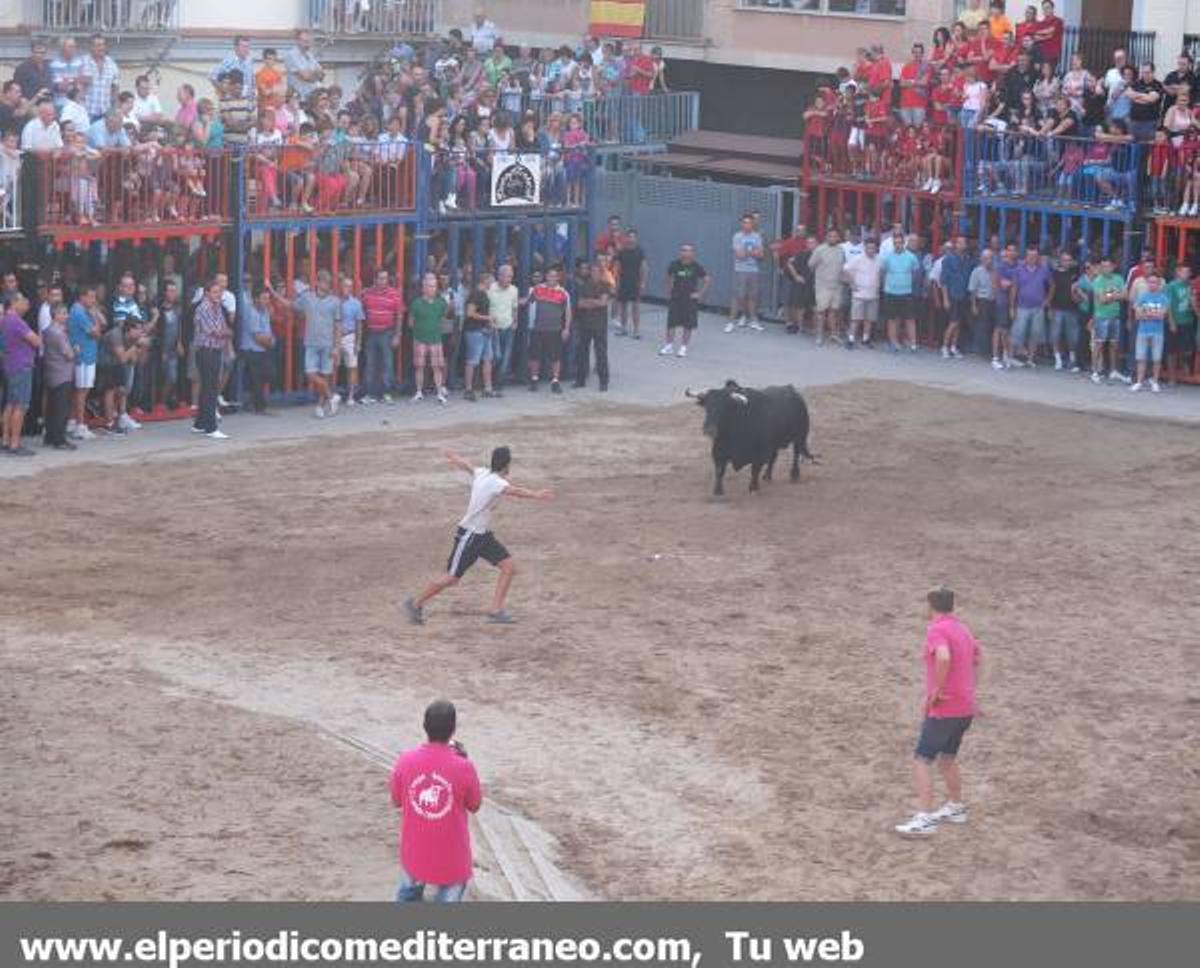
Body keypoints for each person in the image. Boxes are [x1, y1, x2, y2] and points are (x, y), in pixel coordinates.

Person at [404, 447, 553, 626]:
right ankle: (415, 603)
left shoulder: (482, 473)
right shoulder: (497, 483)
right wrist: (536, 494)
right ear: (507, 465)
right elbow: (516, 492)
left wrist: (455, 457)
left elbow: (468, 466)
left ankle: (495, 611)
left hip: (482, 536)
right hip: (469, 536)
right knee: (452, 578)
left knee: (509, 567)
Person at [895, 587, 983, 837]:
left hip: (945, 707)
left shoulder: (936, 630)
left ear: (930, 606)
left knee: (922, 760)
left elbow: (943, 658)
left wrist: (936, 690)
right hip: (965, 708)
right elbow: (979, 658)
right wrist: (970, 690)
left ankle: (925, 818)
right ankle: (956, 808)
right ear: (953, 606)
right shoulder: (963, 629)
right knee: (947, 758)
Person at [389, 700, 482, 903]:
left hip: (415, 853)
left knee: (407, 894)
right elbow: (475, 805)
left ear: (424, 727)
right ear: (453, 729)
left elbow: (396, 800)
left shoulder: (405, 760)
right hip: (452, 860)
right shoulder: (464, 767)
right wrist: (464, 760)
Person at [270, 269, 341, 417]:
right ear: (317, 282)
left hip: (328, 344)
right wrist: (273, 292)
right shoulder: (307, 298)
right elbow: (290, 305)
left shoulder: (335, 301)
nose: (328, 285)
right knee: (310, 373)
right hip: (311, 342)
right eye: (325, 282)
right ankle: (331, 396)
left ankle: (321, 407)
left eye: (329, 282)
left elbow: (338, 325)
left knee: (325, 375)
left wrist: (336, 347)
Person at [1, 292, 40, 457]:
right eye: (24, 301)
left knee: (10, 403)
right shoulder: (16, 321)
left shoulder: (4, 320)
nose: (27, 305)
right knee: (21, 405)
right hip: (21, 365)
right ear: (14, 303)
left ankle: (5, 440)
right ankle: (15, 443)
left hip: (11, 364)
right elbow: (36, 341)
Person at [191, 280, 231, 439]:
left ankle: (200, 424)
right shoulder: (203, 308)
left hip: (214, 350)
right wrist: (224, 332)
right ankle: (211, 427)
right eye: (215, 292)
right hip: (206, 351)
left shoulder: (218, 307)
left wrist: (224, 332)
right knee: (210, 389)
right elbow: (214, 331)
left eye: (220, 292)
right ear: (207, 293)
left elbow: (224, 328)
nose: (218, 295)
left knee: (208, 387)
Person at [360, 268, 405, 404]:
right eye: (380, 278)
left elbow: (400, 315)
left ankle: (386, 393)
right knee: (370, 364)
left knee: (387, 364)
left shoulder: (394, 294)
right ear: (375, 279)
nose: (383, 281)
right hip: (371, 333)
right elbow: (360, 312)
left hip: (387, 332)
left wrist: (397, 335)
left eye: (385, 278)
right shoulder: (366, 294)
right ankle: (369, 394)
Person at [527, 266, 571, 393]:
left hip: (555, 329)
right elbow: (527, 302)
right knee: (534, 356)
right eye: (549, 275)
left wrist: (566, 329)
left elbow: (568, 313)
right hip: (538, 328)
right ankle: (534, 379)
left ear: (558, 278)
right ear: (546, 277)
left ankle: (555, 381)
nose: (551, 278)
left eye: (554, 276)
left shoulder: (563, 293)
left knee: (555, 357)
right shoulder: (538, 289)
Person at [660, 243, 710, 357]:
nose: (686, 253)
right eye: (684, 250)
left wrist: (700, 294)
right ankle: (669, 346)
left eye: (689, 251)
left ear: (692, 253)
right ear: (680, 252)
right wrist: (669, 292)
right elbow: (668, 278)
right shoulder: (674, 265)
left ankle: (683, 348)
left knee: (688, 325)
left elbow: (707, 280)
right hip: (676, 298)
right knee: (671, 323)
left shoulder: (696, 266)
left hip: (690, 300)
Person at [408, 271, 450, 404]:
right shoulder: (416, 303)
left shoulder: (441, 302)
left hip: (436, 339)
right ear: (423, 287)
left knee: (437, 367)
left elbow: (443, 318)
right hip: (420, 339)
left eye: (434, 286)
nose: (433, 289)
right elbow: (410, 322)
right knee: (419, 367)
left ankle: (439, 393)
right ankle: (419, 392)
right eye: (430, 286)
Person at [67, 287, 101, 440]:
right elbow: (96, 333)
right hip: (84, 357)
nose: (94, 301)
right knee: (82, 391)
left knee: (80, 391)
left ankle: (73, 421)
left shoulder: (78, 310)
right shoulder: (79, 312)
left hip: (85, 355)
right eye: (91, 296)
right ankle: (80, 425)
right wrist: (95, 317)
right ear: (82, 296)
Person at [41, 303, 75, 451]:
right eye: (64, 313)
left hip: (51, 372)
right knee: (61, 408)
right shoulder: (59, 333)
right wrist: (76, 350)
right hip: (63, 373)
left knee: (52, 407)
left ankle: (50, 436)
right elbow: (69, 354)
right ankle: (59, 439)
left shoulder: (47, 330)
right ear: (56, 315)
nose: (66, 316)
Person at [1010, 245, 1051, 367]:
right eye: (1029, 255)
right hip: (1022, 306)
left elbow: (1052, 285)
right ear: (1026, 257)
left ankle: (1030, 359)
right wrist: (1012, 307)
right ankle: (1010, 357)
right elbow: (1014, 288)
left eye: (1034, 256)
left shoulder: (1043, 270)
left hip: (1038, 307)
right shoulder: (1019, 269)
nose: (1032, 258)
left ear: (1038, 257)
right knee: (1017, 332)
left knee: (1035, 333)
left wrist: (1047, 300)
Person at [574, 260, 612, 390]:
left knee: (601, 354)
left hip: (600, 326)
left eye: (597, 271)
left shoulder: (605, 286)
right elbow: (580, 304)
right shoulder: (584, 286)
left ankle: (603, 382)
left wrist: (589, 301)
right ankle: (580, 380)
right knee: (582, 353)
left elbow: (603, 303)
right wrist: (595, 302)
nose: (594, 273)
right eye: (592, 271)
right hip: (585, 325)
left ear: (600, 273)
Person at [1088, 256, 1126, 385]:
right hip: (1101, 317)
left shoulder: (1119, 278)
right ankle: (1094, 371)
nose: (1105, 269)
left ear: (1113, 266)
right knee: (1099, 344)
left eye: (1108, 266)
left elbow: (1125, 295)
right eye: (1103, 266)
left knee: (1114, 345)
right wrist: (1115, 295)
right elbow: (1101, 300)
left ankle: (1113, 371)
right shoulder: (1098, 281)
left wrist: (1109, 296)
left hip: (1115, 316)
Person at [881, 232, 920, 353]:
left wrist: (905, 283)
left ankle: (913, 343)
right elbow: (883, 273)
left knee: (910, 319)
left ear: (904, 243)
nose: (897, 245)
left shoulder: (911, 257)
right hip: (891, 292)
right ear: (893, 244)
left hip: (906, 292)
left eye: (900, 243)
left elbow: (915, 274)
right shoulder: (887, 257)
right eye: (895, 243)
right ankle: (894, 342)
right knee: (892, 319)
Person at [239, 286, 276, 415]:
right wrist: (270, 341)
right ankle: (260, 407)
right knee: (258, 378)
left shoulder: (264, 311)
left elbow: (268, 333)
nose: (267, 301)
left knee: (269, 374)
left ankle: (252, 402)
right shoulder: (251, 312)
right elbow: (258, 337)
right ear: (255, 299)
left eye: (268, 298)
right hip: (251, 350)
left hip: (262, 349)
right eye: (264, 298)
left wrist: (269, 340)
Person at [1130, 271, 1169, 392]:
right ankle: (1139, 382)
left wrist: (1146, 313)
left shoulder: (1163, 298)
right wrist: (1153, 314)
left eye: (1155, 282)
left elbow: (1162, 316)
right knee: (1141, 358)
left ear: (1159, 284)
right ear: (1147, 283)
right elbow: (1137, 316)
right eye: (1150, 282)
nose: (1153, 285)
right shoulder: (1142, 297)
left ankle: (1155, 382)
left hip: (1157, 332)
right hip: (1143, 331)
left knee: (1156, 358)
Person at [461, 273, 497, 401]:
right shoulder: (476, 294)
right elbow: (470, 313)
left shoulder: (483, 294)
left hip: (484, 331)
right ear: (485, 280)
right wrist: (488, 318)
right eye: (492, 281)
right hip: (474, 331)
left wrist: (489, 323)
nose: (493, 283)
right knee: (472, 361)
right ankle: (468, 389)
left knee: (488, 359)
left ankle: (488, 388)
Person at [808, 228, 846, 345]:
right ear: (826, 237)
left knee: (834, 311)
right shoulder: (820, 250)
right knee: (821, 311)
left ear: (838, 238)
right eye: (830, 236)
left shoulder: (841, 250)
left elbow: (843, 266)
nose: (832, 238)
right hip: (823, 286)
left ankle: (833, 335)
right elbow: (811, 265)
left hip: (837, 286)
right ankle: (819, 336)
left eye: (835, 236)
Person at [727, 214, 765, 333]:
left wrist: (749, 252)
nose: (746, 224)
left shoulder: (757, 236)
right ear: (741, 224)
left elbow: (761, 255)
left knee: (753, 296)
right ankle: (731, 322)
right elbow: (739, 255)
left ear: (752, 224)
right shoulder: (737, 236)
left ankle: (753, 320)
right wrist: (753, 252)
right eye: (744, 222)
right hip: (740, 270)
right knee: (738, 296)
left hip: (753, 270)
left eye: (749, 222)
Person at [843, 237, 881, 348]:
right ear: (865, 248)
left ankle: (866, 339)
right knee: (855, 318)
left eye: (873, 248)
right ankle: (850, 339)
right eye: (869, 248)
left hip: (873, 294)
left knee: (869, 319)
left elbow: (881, 272)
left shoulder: (879, 259)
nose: (871, 250)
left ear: (876, 248)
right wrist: (852, 284)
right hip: (859, 294)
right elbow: (845, 270)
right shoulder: (857, 258)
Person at [487, 264, 520, 387]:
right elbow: (486, 306)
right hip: (494, 327)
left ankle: (498, 382)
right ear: (499, 276)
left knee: (506, 356)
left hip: (508, 326)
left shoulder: (514, 290)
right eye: (507, 276)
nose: (509, 279)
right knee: (496, 355)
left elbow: (515, 308)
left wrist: (515, 322)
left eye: (511, 277)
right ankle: (488, 378)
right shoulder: (491, 288)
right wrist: (488, 322)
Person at [939, 235, 971, 359]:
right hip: (952, 295)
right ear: (955, 245)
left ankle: (953, 346)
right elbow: (943, 281)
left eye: (963, 242)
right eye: (959, 242)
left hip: (963, 295)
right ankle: (944, 347)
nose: (961, 245)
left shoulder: (968, 259)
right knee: (953, 322)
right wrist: (945, 299)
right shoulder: (948, 259)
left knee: (959, 323)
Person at [1048, 250, 1081, 371]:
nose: (1066, 262)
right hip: (1057, 308)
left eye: (1068, 260)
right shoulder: (1055, 274)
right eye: (1064, 260)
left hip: (1072, 309)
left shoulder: (1075, 274)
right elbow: (1051, 290)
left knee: (1072, 336)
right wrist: (1050, 307)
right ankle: (1058, 360)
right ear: (1060, 261)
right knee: (1055, 335)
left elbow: (1077, 290)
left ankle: (1072, 360)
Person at [1165, 264, 1196, 384]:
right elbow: (1168, 306)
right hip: (1175, 321)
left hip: (1187, 320)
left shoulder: (1190, 285)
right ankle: (1172, 377)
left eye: (1188, 272)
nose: (1187, 275)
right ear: (1178, 272)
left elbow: (1191, 302)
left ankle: (1183, 364)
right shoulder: (1171, 286)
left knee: (1188, 348)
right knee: (1171, 351)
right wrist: (1172, 322)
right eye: (1185, 272)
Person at [613, 230, 647, 339]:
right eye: (629, 237)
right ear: (626, 238)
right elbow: (617, 268)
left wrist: (642, 283)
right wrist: (616, 282)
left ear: (636, 239)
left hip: (635, 283)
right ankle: (623, 329)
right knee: (623, 307)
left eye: (633, 237)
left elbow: (644, 268)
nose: (631, 239)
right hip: (623, 282)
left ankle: (636, 331)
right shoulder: (621, 252)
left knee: (636, 307)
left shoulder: (640, 251)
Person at [337, 275, 365, 406]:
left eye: (349, 286)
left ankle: (351, 396)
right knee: (332, 368)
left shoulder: (356, 303)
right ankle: (331, 394)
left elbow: (359, 324)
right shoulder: (334, 301)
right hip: (335, 337)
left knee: (352, 367)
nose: (347, 288)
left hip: (349, 336)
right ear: (339, 287)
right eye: (344, 285)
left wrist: (358, 342)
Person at [968, 247, 997, 361]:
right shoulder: (977, 271)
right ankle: (980, 350)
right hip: (982, 300)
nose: (988, 261)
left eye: (990, 258)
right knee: (981, 326)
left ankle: (989, 350)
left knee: (991, 326)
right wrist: (973, 305)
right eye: (985, 258)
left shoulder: (995, 271)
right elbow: (972, 290)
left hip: (993, 301)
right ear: (981, 259)